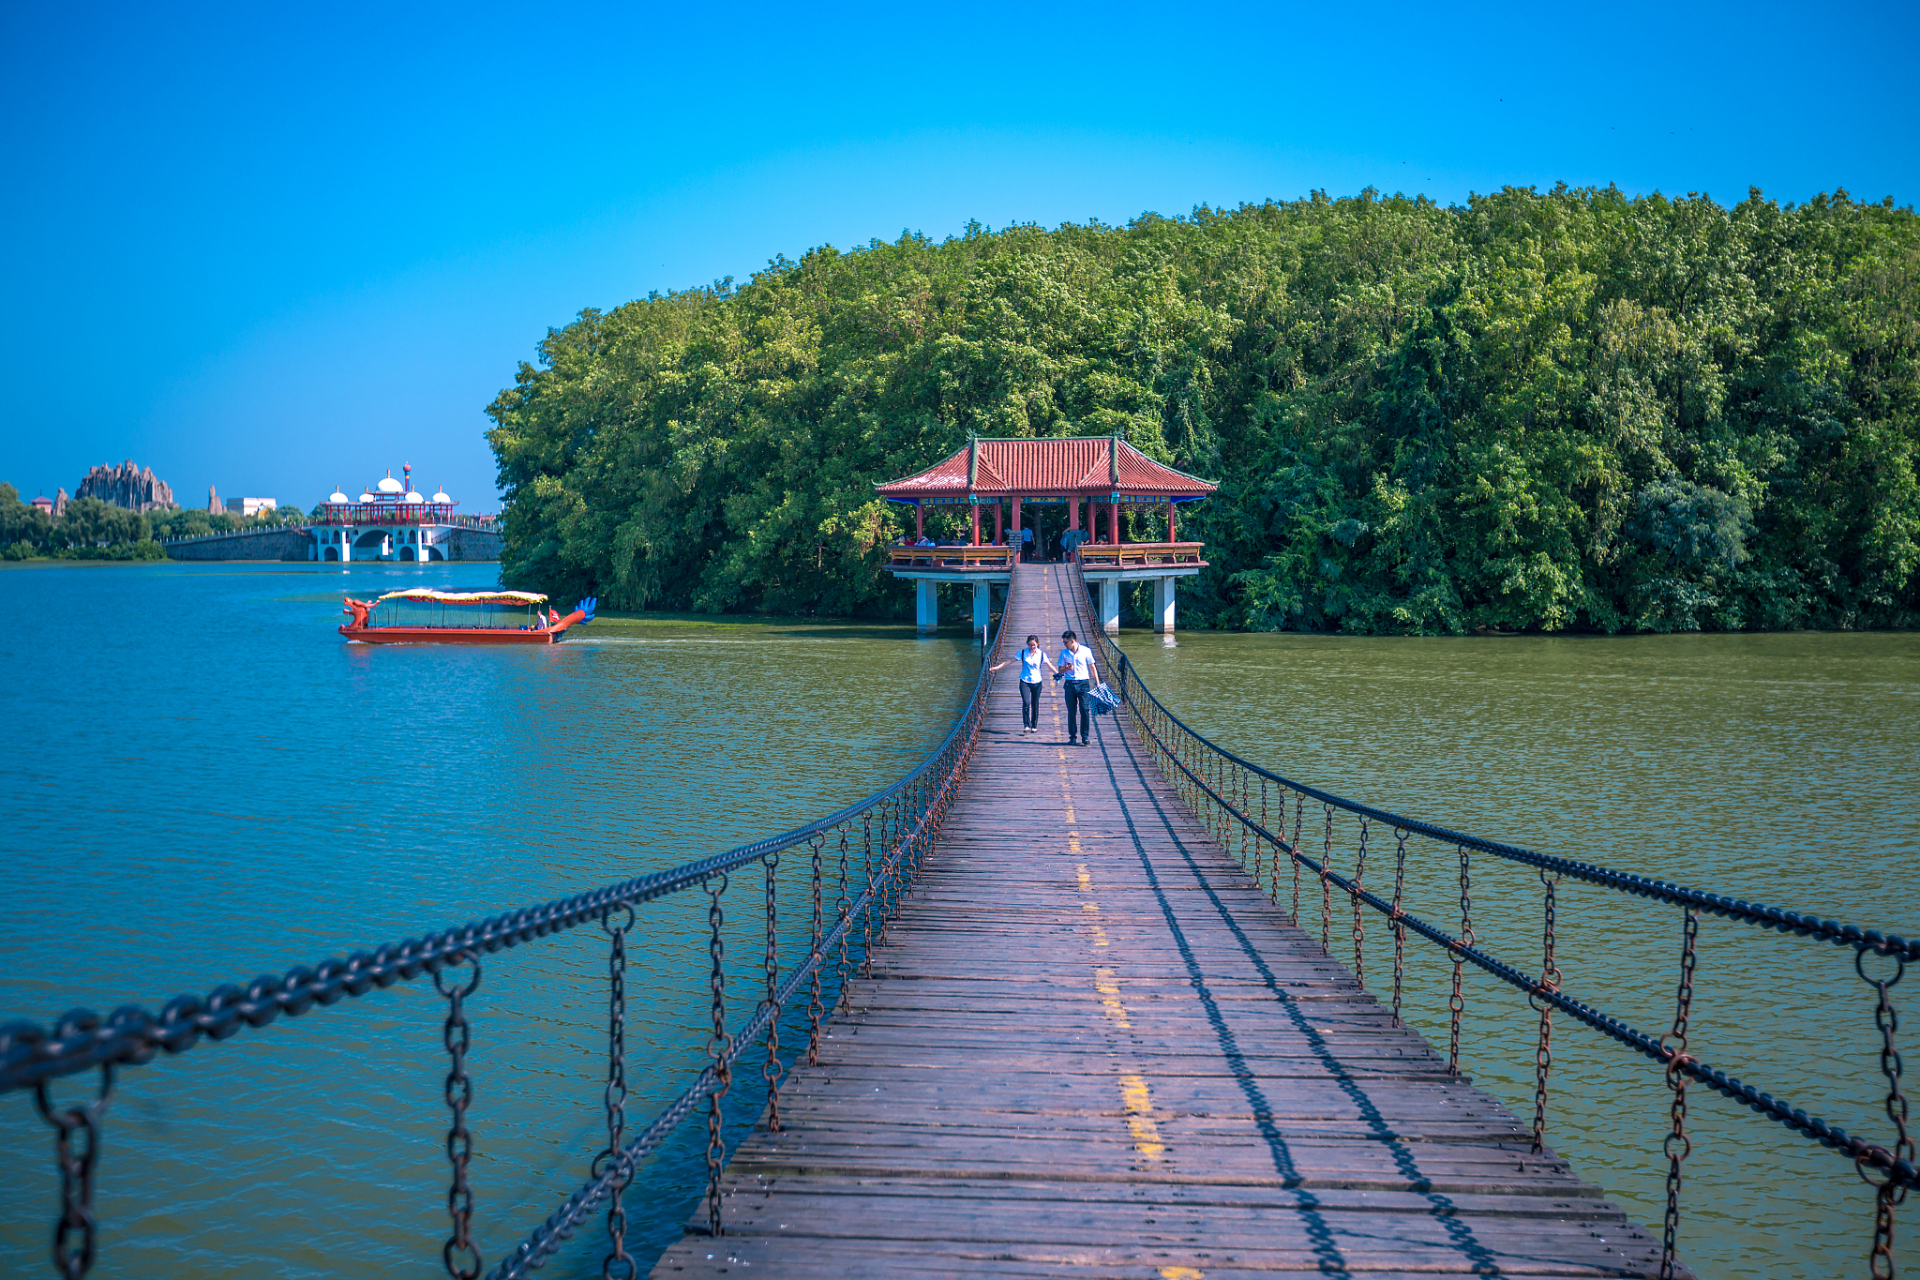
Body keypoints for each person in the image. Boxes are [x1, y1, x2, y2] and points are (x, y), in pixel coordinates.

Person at [990, 634, 1056, 734]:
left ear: (1037, 644)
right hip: (1025, 681)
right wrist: (996, 668)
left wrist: (1058, 673)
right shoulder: (1023, 652)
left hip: (1037, 682)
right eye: (1030, 645)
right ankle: (1026, 725)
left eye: (1033, 645)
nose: (1032, 647)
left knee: (1035, 703)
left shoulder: (1041, 654)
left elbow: (1049, 665)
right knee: (1026, 702)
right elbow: (1010, 661)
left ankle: (1034, 725)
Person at [1055, 629, 1100, 746]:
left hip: (1083, 683)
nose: (1064, 644)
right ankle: (1072, 736)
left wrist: (1097, 683)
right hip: (1070, 684)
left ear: (1072, 641)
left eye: (1066, 642)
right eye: (1064, 643)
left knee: (1085, 710)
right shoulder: (1064, 653)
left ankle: (1085, 736)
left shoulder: (1086, 651)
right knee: (1071, 711)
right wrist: (1066, 668)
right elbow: (1060, 670)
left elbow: (1092, 667)